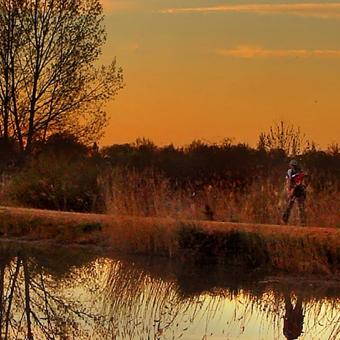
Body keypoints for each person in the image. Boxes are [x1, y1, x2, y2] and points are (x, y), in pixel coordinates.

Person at [282, 159, 307, 225]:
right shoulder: (290, 171)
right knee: (290, 205)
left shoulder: (300, 172)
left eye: (294, 166)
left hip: (299, 189)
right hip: (293, 188)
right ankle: (285, 219)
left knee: (300, 206)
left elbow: (301, 182)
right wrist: (289, 191)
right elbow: (288, 181)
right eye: (292, 166)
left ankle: (302, 222)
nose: (293, 167)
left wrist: (300, 187)